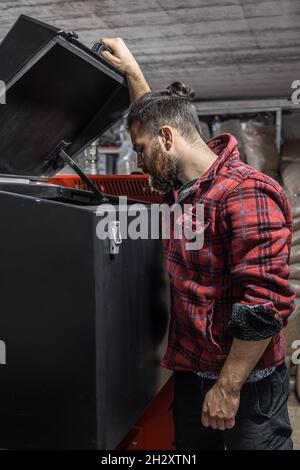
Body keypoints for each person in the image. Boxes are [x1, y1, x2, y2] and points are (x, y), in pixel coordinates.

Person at [99, 38, 296, 450]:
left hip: (246, 385)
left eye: (141, 151)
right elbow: (153, 121)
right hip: (192, 374)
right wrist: (134, 72)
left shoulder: (246, 193)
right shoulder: (183, 190)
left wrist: (227, 388)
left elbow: (263, 306)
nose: (138, 162)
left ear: (168, 139)